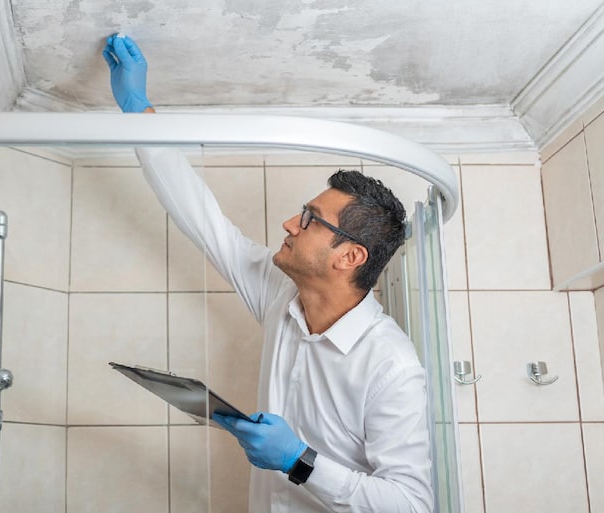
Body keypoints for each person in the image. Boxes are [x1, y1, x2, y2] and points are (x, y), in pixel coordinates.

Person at [103, 34, 434, 513]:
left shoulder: (391, 367)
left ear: (349, 257)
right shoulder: (282, 295)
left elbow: (413, 504)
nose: (288, 224)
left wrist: (300, 461)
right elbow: (203, 220)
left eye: (309, 220)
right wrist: (139, 112)